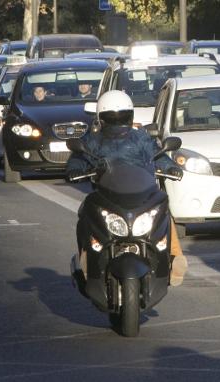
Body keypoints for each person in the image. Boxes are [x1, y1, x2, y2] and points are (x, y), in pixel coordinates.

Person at [66, 90, 188, 286]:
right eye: (113, 118)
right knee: (86, 212)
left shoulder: (141, 138)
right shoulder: (93, 140)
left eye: (121, 118)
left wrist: (171, 168)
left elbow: (158, 155)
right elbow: (78, 158)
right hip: (106, 195)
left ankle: (175, 257)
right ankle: (87, 259)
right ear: (101, 118)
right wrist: (74, 170)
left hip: (142, 193)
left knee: (163, 209)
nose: (117, 123)